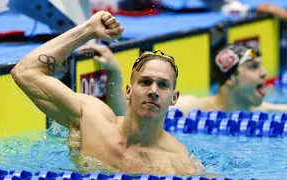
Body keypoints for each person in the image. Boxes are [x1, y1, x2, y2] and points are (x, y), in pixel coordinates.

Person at [11, 11, 201, 176]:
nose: (153, 91)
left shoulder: (178, 164)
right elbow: (25, 72)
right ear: (128, 91)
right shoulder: (92, 120)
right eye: (145, 82)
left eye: (163, 85)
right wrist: (88, 31)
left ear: (174, 98)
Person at [174, 44, 287, 115]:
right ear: (230, 78)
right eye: (253, 67)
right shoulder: (190, 108)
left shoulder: (265, 110)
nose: (264, 73)